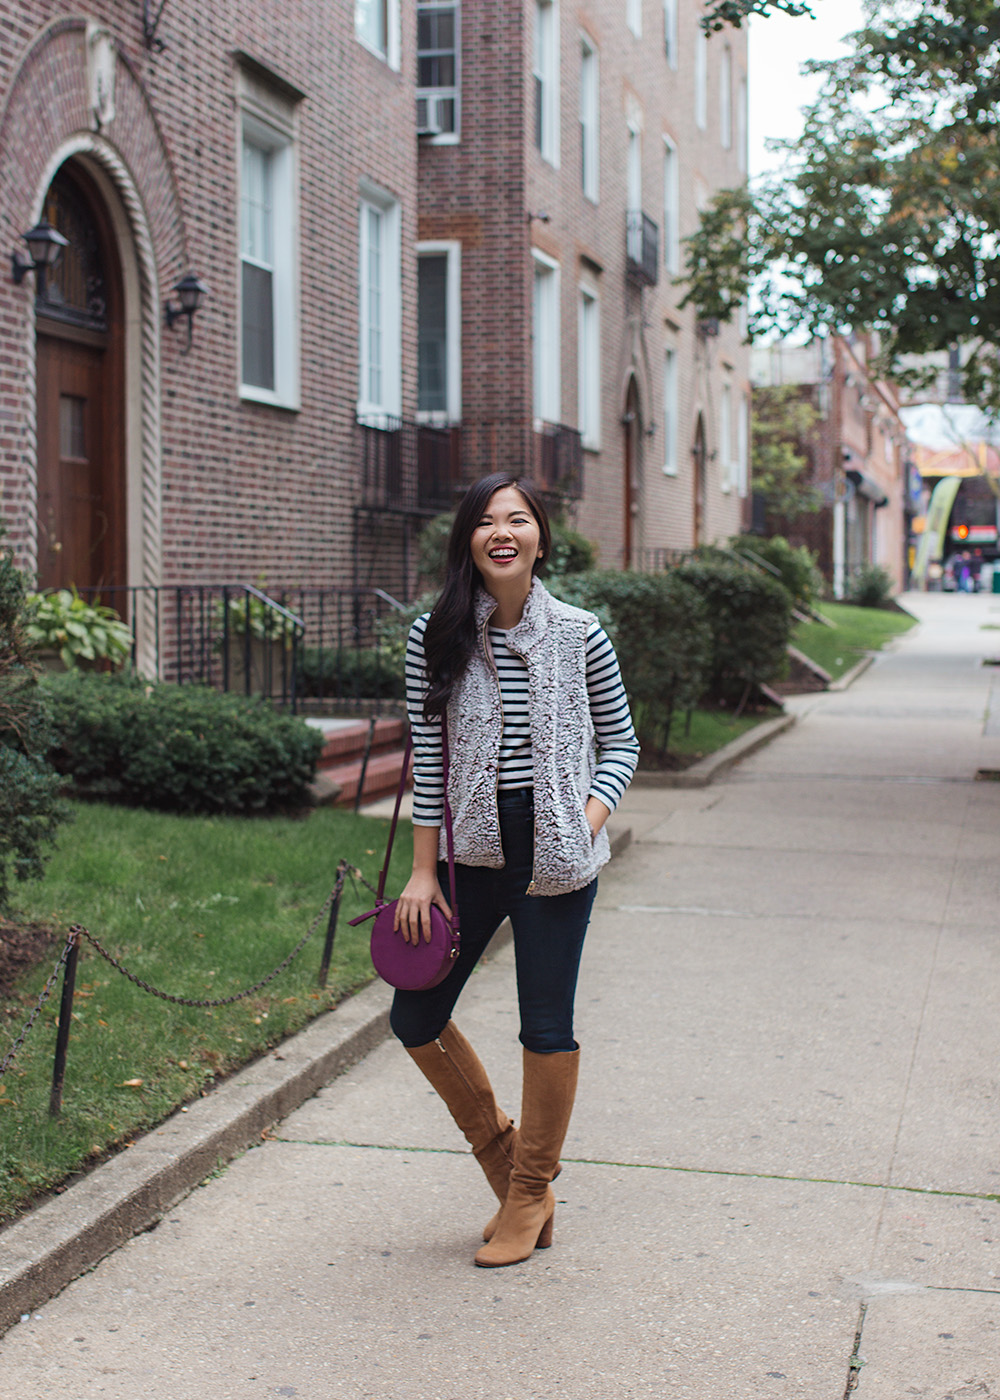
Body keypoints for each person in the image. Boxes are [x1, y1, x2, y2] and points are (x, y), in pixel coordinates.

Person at [390, 472, 639, 1268]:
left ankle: (530, 1195)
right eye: (487, 521)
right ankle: (507, 1164)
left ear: (539, 538)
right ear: (468, 540)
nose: (503, 532)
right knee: (414, 1017)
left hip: (559, 857)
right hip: (471, 859)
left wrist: (585, 820)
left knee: (546, 1025)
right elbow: (428, 760)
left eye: (519, 519)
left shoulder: (579, 633)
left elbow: (621, 743)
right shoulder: (435, 635)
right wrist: (422, 873)